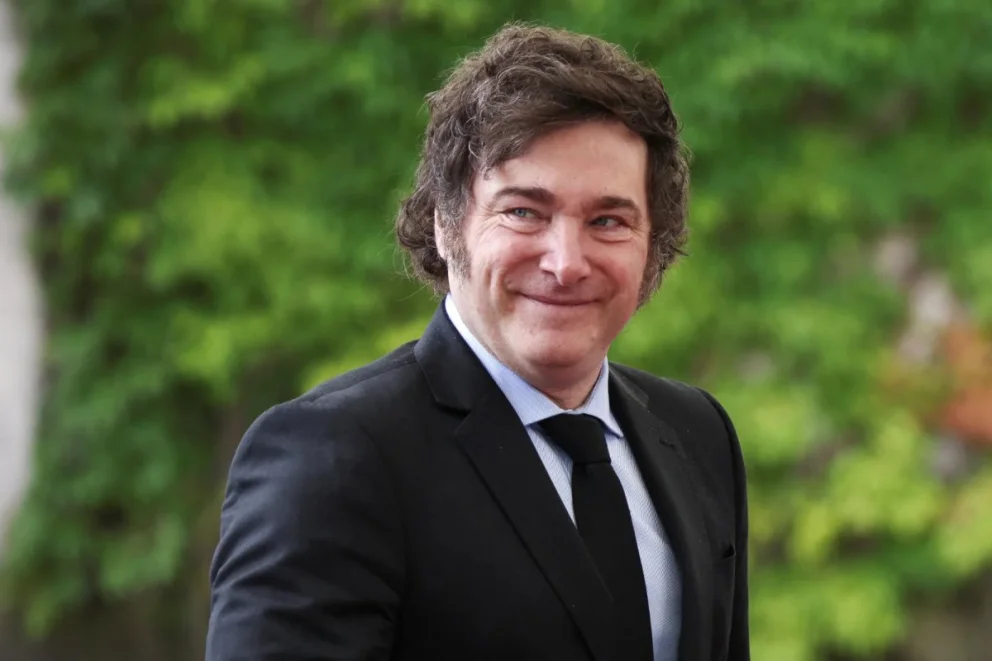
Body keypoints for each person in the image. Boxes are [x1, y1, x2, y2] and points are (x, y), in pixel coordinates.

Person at [205, 22, 749, 661]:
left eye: (608, 220)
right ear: (444, 222)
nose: (566, 262)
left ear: (653, 244)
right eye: (523, 212)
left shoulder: (698, 435)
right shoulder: (331, 458)